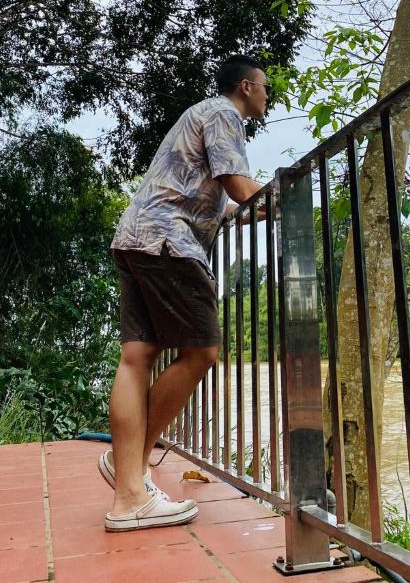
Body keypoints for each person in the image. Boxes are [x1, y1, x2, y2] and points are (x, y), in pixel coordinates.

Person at [101, 55, 268, 532]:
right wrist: (279, 195)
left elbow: (211, 196)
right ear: (245, 86)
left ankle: (127, 477)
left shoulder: (200, 114)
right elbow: (240, 187)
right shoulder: (224, 114)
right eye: (264, 87)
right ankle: (129, 485)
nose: (267, 95)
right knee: (201, 351)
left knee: (137, 356)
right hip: (168, 243)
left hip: (138, 236)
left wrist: (247, 211)